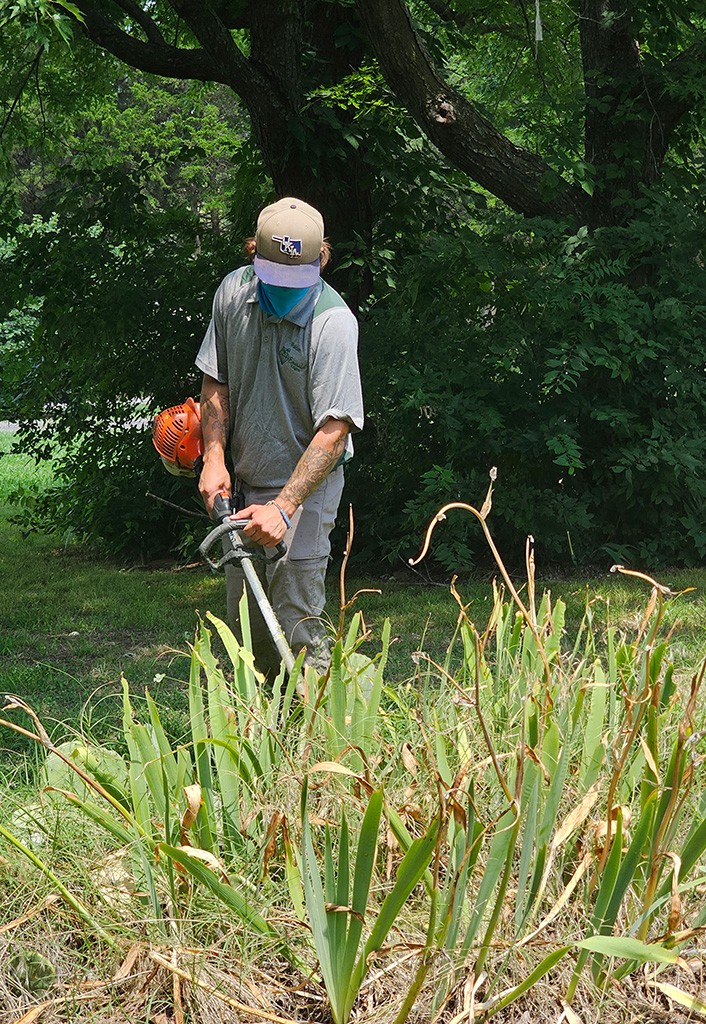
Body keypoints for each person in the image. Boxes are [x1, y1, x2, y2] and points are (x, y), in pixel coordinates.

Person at [195, 197, 364, 678]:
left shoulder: (333, 322)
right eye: (276, 279)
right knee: (245, 631)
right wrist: (213, 458)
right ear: (253, 254)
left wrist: (284, 508)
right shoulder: (233, 294)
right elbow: (216, 382)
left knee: (297, 627)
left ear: (320, 261)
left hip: (304, 491)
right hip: (242, 486)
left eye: (298, 280)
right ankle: (257, 741)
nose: (286, 292)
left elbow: (333, 433)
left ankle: (316, 741)